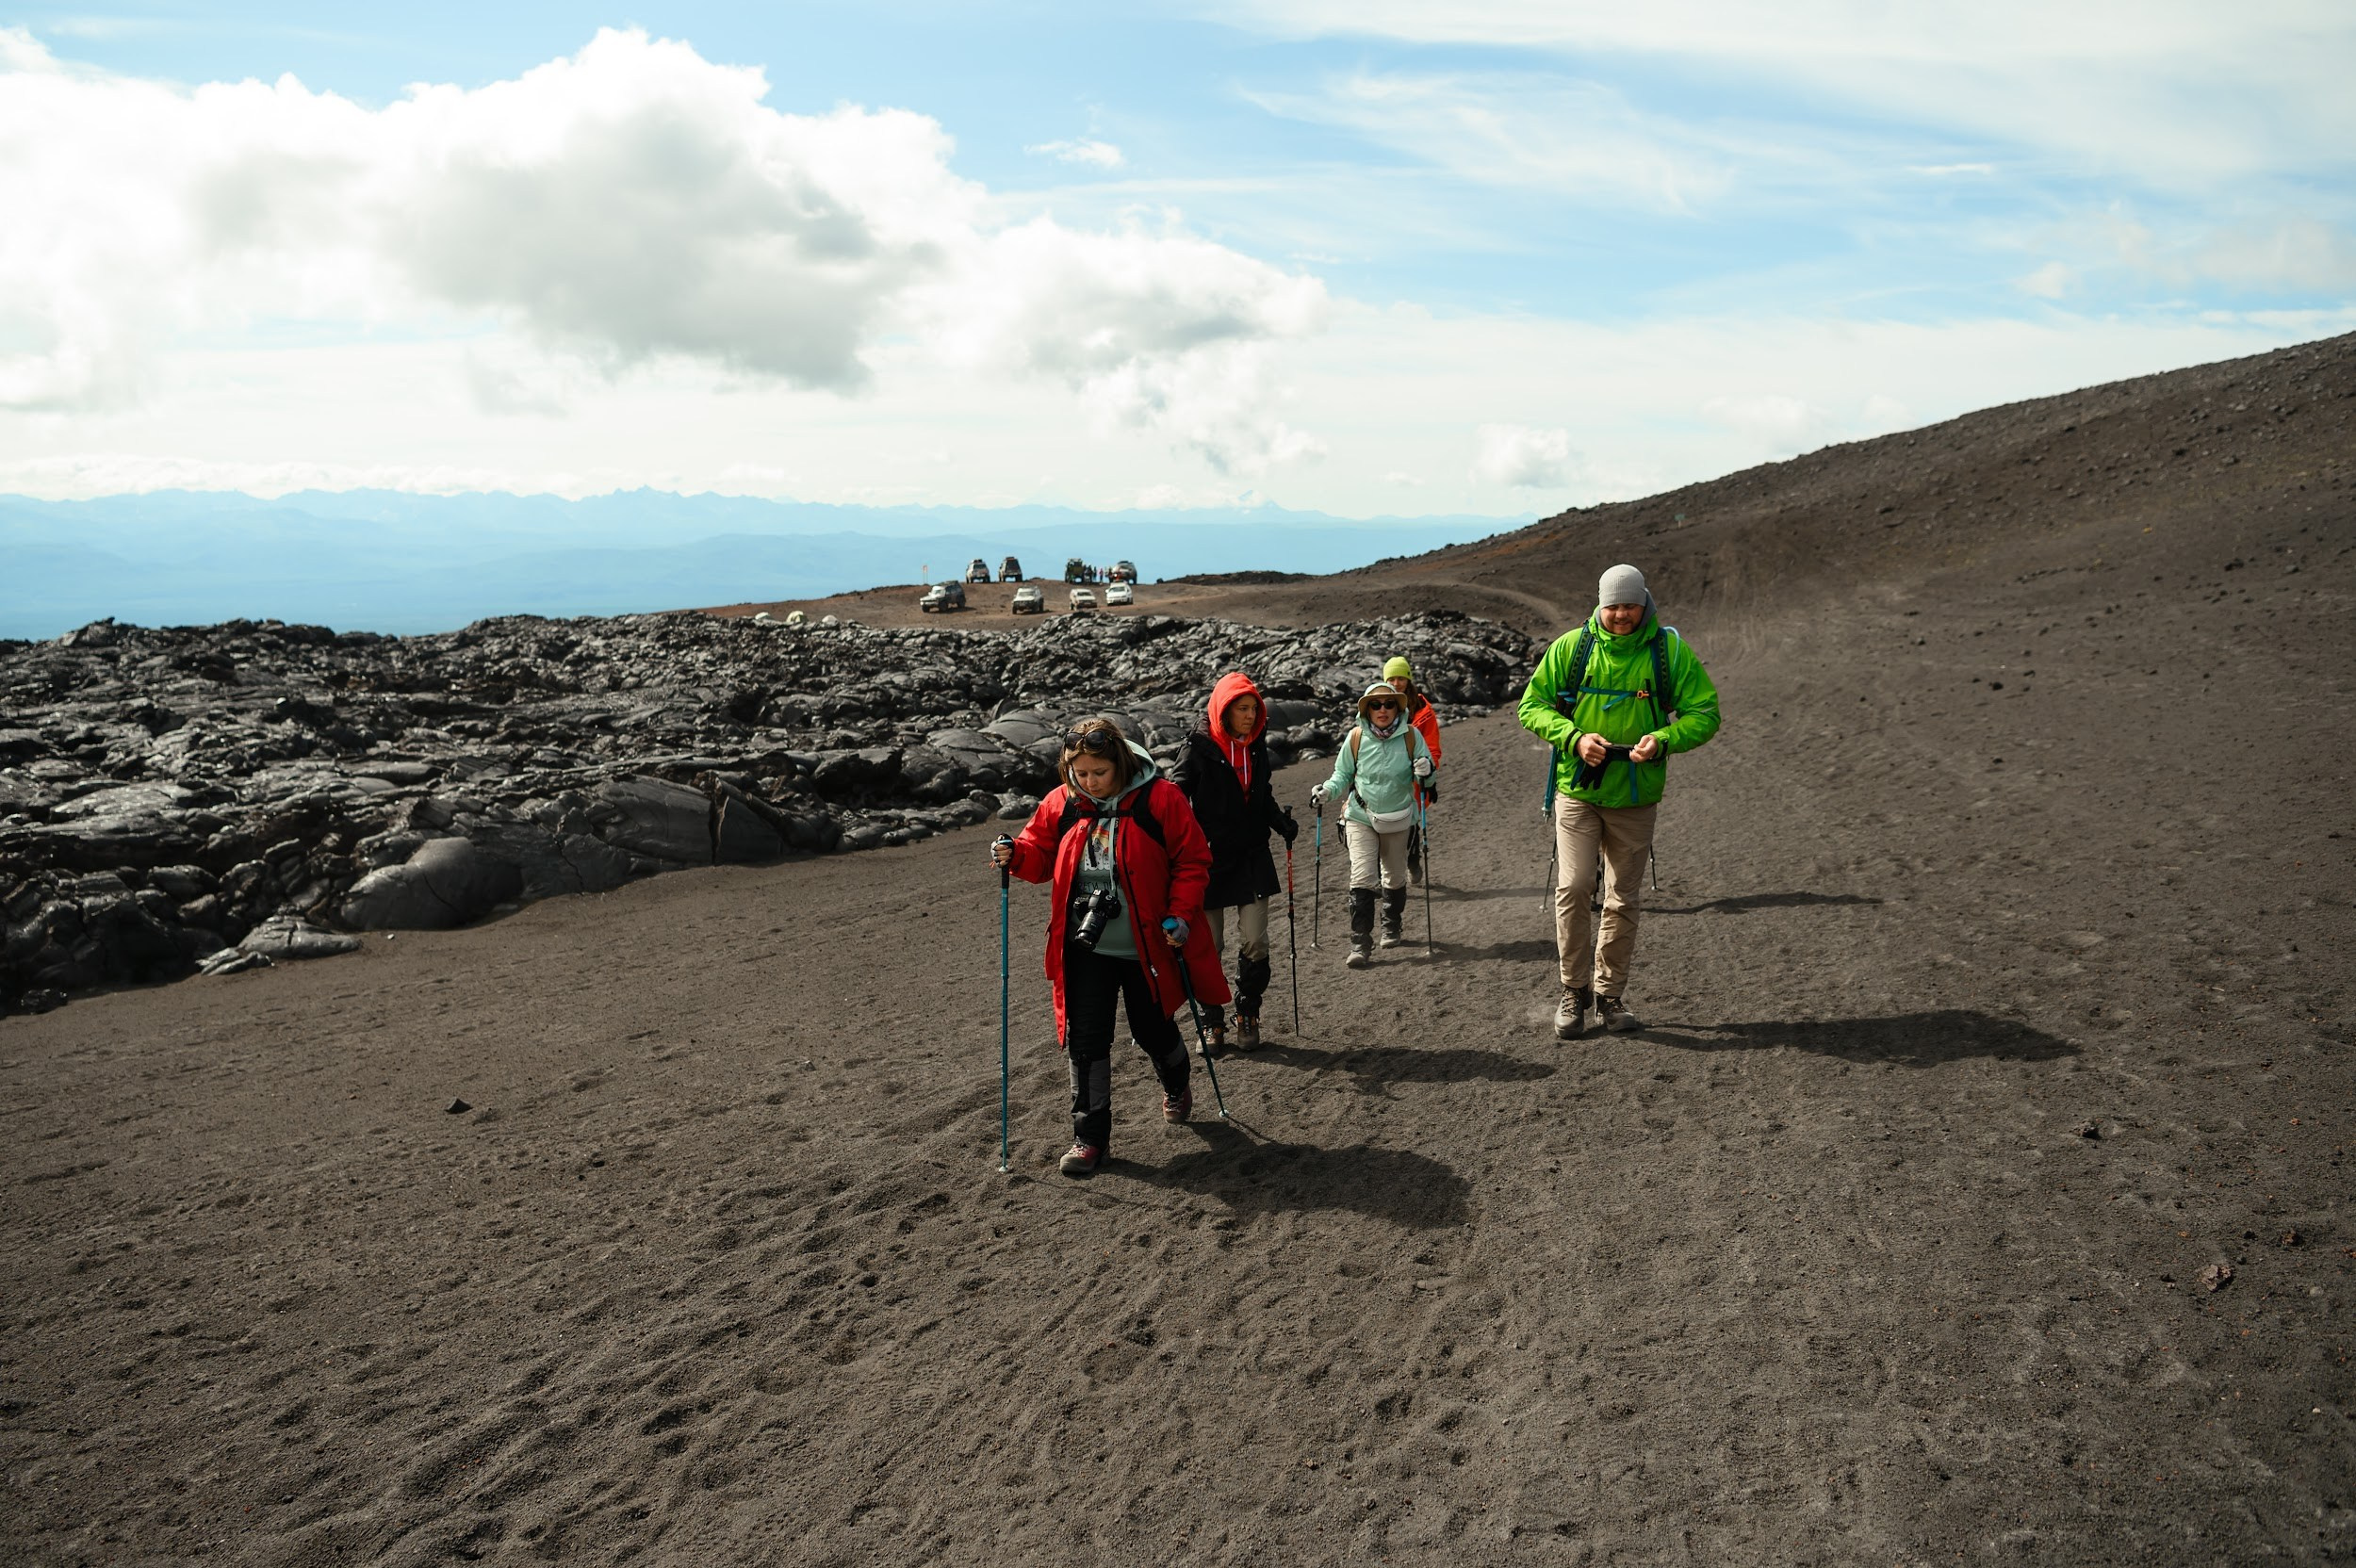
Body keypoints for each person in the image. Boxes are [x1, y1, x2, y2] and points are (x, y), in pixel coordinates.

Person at [992, 717, 1230, 1177]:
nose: (1089, 782)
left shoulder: (1162, 798)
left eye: (1098, 772)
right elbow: (1038, 854)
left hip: (1148, 945)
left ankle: (1177, 1085)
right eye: (1079, 773)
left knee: (1151, 1030)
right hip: (1084, 944)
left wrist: (1179, 915)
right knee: (1085, 1040)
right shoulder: (1062, 803)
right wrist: (1015, 855)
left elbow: (1192, 859)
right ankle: (1088, 1139)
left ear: (1119, 763)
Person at [1517, 564, 1721, 1039]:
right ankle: (1574, 991)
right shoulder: (1572, 648)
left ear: (1644, 602)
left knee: (1621, 898)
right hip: (1579, 790)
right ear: (1600, 604)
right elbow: (1532, 705)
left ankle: (1610, 997)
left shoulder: (1667, 651)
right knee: (1572, 889)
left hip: (1635, 795)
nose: (1621, 614)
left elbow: (1705, 713)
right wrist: (1572, 738)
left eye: (1629, 605)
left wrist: (1663, 738)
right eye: (1613, 606)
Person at [1171, 673, 1299, 1052]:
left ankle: (1247, 1013)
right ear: (1222, 710)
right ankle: (1212, 1022)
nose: (1248, 716)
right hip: (1207, 860)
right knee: (1208, 947)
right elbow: (1175, 795)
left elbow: (1262, 794)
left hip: (1252, 855)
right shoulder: (1198, 747)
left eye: (1253, 708)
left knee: (1256, 942)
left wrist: (1280, 823)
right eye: (1241, 709)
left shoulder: (1257, 745)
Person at [1311, 682, 1433, 968]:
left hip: (1399, 816)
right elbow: (1341, 774)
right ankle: (1360, 944)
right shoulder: (1355, 737)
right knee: (1363, 876)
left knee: (1393, 876)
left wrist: (1427, 771)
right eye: (1376, 705)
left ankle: (1392, 924)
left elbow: (1427, 781)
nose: (1382, 710)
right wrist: (1327, 792)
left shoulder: (1411, 737)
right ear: (1366, 709)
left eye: (1389, 704)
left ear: (1398, 708)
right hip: (1360, 816)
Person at [1382, 655, 1443, 881]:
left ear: (1408, 679)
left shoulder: (1422, 710)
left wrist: (1429, 771)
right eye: (1392, 678)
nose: (1396, 683)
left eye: (1401, 678)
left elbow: (1433, 747)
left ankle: (1412, 860)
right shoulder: (1378, 705)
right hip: (1383, 778)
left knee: (1410, 822)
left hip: (1414, 780)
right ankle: (1385, 870)